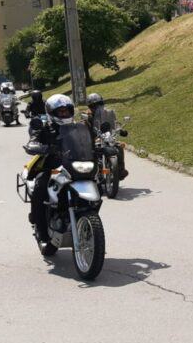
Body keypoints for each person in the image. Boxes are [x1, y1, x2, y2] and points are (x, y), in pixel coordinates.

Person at [26, 94, 76, 243]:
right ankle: (40, 228)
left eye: (67, 111)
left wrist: (101, 146)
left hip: (73, 166)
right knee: (40, 187)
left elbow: (90, 139)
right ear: (52, 112)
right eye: (60, 112)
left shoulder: (77, 126)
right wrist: (36, 146)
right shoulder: (44, 126)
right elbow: (33, 139)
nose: (64, 114)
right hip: (51, 167)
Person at [85, 93, 128, 180]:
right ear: (90, 106)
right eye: (94, 106)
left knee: (119, 147)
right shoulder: (87, 116)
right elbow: (83, 126)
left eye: (99, 104)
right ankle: (88, 172)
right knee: (88, 151)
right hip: (93, 139)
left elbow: (113, 124)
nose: (97, 107)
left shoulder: (108, 113)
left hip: (107, 138)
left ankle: (120, 170)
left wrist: (120, 130)